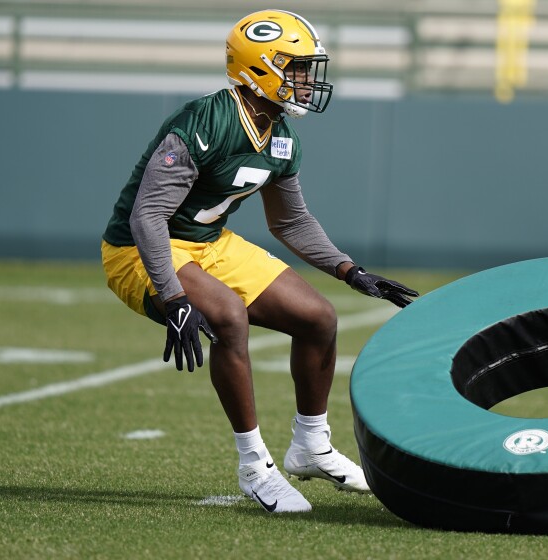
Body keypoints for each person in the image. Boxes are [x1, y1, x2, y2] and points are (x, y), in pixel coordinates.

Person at [101, 9, 418, 514]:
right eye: (296, 68)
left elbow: (290, 222)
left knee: (318, 318)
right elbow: (147, 215)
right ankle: (254, 467)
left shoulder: (281, 132)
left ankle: (310, 446)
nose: (307, 81)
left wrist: (349, 270)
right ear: (259, 68)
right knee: (227, 316)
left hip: (209, 241)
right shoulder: (207, 120)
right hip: (139, 248)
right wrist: (173, 295)